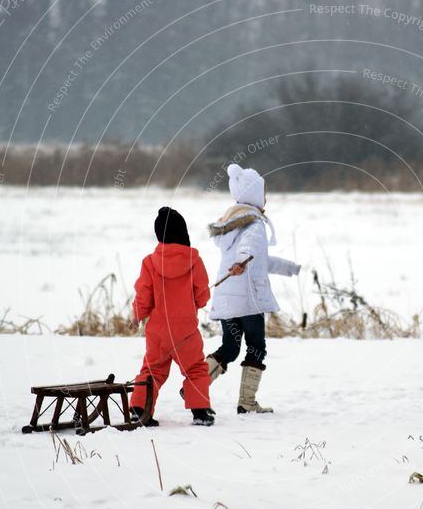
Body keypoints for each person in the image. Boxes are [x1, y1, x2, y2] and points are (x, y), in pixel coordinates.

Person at [206, 164, 301, 413]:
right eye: (264, 193)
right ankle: (246, 403)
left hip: (227, 297)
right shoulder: (255, 224)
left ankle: (196, 385)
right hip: (248, 299)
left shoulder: (231, 222)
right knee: (256, 346)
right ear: (255, 195)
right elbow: (249, 249)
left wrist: (287, 267)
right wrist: (242, 260)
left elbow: (258, 259)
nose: (266, 198)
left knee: (230, 347)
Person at [129, 207, 215, 426]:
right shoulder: (194, 260)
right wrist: (197, 302)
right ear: (183, 233)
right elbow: (202, 294)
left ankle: (139, 410)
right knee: (195, 369)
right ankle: (200, 411)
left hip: (158, 331)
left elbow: (144, 295)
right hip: (185, 330)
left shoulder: (149, 262)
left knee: (152, 370)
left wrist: (137, 315)